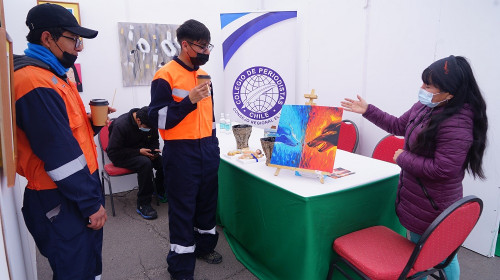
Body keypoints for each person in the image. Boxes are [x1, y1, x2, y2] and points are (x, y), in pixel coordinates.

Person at [341, 55, 487, 280]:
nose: (422, 88)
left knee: (438, 258)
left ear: (450, 91)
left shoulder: (457, 121)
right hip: (417, 199)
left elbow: (443, 169)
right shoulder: (427, 106)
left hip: (433, 205)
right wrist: (368, 110)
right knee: (419, 255)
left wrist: (403, 158)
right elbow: (398, 125)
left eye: (428, 85)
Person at [13, 3, 114, 279]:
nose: (79, 48)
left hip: (75, 190)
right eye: (74, 39)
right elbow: (61, 155)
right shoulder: (34, 82)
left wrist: (94, 123)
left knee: (90, 266)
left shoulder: (53, 74)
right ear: (47, 38)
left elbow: (67, 135)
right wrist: (91, 204)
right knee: (75, 270)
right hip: (60, 196)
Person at [148, 19, 221, 280]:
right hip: (181, 154)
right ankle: (180, 269)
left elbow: (209, 116)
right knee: (182, 212)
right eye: (201, 47)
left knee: (207, 206)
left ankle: (204, 248)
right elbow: (157, 119)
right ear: (185, 45)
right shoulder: (165, 75)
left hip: (208, 149)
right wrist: (189, 100)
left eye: (208, 46)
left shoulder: (205, 76)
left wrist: (214, 144)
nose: (206, 52)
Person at [106, 106, 167, 220]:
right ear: (138, 121)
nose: (149, 129)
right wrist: (138, 152)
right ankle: (143, 204)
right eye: (146, 128)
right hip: (121, 156)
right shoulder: (121, 125)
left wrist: (154, 150)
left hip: (142, 152)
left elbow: (154, 139)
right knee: (145, 163)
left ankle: (159, 190)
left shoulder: (150, 120)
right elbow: (113, 152)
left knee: (164, 161)